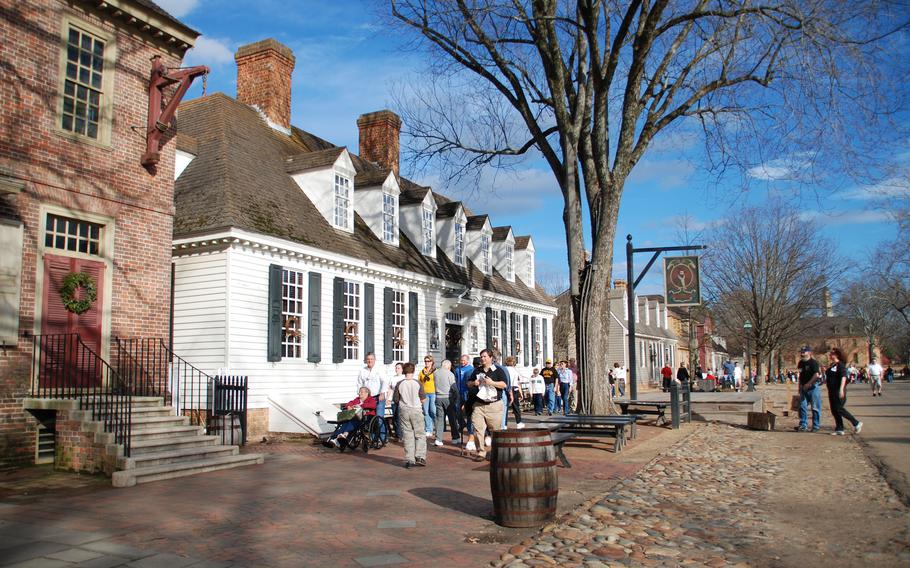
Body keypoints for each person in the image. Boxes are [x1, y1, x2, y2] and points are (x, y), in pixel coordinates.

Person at [467, 348, 509, 461]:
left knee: (495, 431)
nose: (483, 359)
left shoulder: (498, 370)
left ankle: (494, 452)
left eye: (485, 356)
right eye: (481, 357)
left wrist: (492, 383)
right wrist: (474, 383)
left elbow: (504, 384)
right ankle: (481, 452)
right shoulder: (477, 370)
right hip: (479, 404)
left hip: (494, 405)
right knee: (477, 430)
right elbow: (469, 383)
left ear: (491, 358)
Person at [394, 362, 427, 468]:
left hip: (404, 410)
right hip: (416, 409)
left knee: (407, 435)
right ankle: (420, 456)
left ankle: (409, 459)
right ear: (413, 371)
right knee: (420, 434)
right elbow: (423, 399)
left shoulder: (399, 383)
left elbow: (396, 399)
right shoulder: (418, 383)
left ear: (404, 371)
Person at [826, 348, 863, 436]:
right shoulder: (832, 365)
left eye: (832, 354)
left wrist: (841, 389)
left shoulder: (840, 365)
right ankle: (839, 428)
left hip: (838, 390)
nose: (830, 355)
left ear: (837, 355)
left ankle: (856, 423)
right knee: (834, 410)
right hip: (831, 390)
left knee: (839, 409)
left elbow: (843, 377)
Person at [355, 353, 389, 440]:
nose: (369, 361)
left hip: (378, 397)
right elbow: (359, 383)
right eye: (368, 359)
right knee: (370, 418)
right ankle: (373, 438)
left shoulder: (379, 369)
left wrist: (382, 393)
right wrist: (360, 395)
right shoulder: (363, 370)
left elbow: (385, 381)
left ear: (374, 360)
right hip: (368, 398)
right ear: (366, 360)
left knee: (379, 418)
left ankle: (382, 437)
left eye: (371, 359)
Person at [796, 346, 822, 432]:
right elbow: (800, 375)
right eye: (801, 352)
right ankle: (803, 424)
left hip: (813, 387)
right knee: (802, 406)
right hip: (803, 387)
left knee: (815, 407)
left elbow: (816, 375)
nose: (802, 353)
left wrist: (809, 383)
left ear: (809, 353)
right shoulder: (800, 363)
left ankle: (816, 425)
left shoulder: (813, 363)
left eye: (804, 352)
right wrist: (800, 386)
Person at [434, 359, 457, 446]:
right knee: (452, 418)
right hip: (447, 397)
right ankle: (455, 437)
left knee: (439, 419)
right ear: (448, 366)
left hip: (438, 397)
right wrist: (456, 396)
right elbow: (454, 387)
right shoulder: (450, 374)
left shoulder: (436, 373)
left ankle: (438, 439)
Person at [454, 354, 473, 447]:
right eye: (461, 360)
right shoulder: (457, 369)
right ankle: (462, 423)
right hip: (459, 392)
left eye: (464, 360)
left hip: (467, 392)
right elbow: (456, 380)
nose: (462, 362)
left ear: (468, 361)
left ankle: (471, 431)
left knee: (468, 412)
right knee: (457, 410)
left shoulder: (470, 369)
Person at [418, 355, 437, 436]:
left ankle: (437, 427)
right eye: (425, 361)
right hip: (425, 394)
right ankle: (428, 429)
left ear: (432, 362)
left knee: (433, 410)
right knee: (426, 411)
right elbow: (419, 383)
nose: (426, 362)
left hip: (433, 393)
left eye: (428, 361)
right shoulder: (422, 372)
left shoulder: (435, 371)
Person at [504, 356, 525, 428]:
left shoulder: (504, 369)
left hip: (505, 388)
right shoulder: (515, 371)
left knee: (505, 407)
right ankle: (519, 422)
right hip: (514, 388)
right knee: (516, 407)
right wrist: (521, 392)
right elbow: (518, 382)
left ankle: (504, 424)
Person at [388, 362, 405, 440]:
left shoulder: (404, 378)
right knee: (394, 417)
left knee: (399, 416)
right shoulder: (392, 378)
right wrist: (388, 398)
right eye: (396, 368)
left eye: (398, 368)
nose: (396, 369)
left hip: (402, 400)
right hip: (394, 400)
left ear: (402, 369)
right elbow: (390, 389)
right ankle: (396, 432)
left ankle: (400, 435)